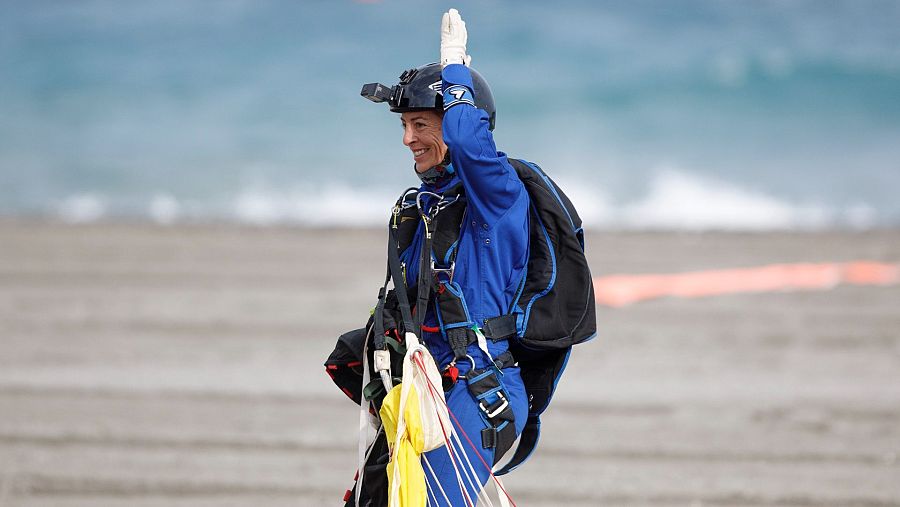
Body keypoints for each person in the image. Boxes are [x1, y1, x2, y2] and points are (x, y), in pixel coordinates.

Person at [362, 8, 530, 506]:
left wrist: (454, 68)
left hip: (482, 391)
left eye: (419, 124)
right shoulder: (426, 209)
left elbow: (467, 141)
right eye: (404, 125)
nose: (407, 139)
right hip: (425, 389)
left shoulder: (498, 196)